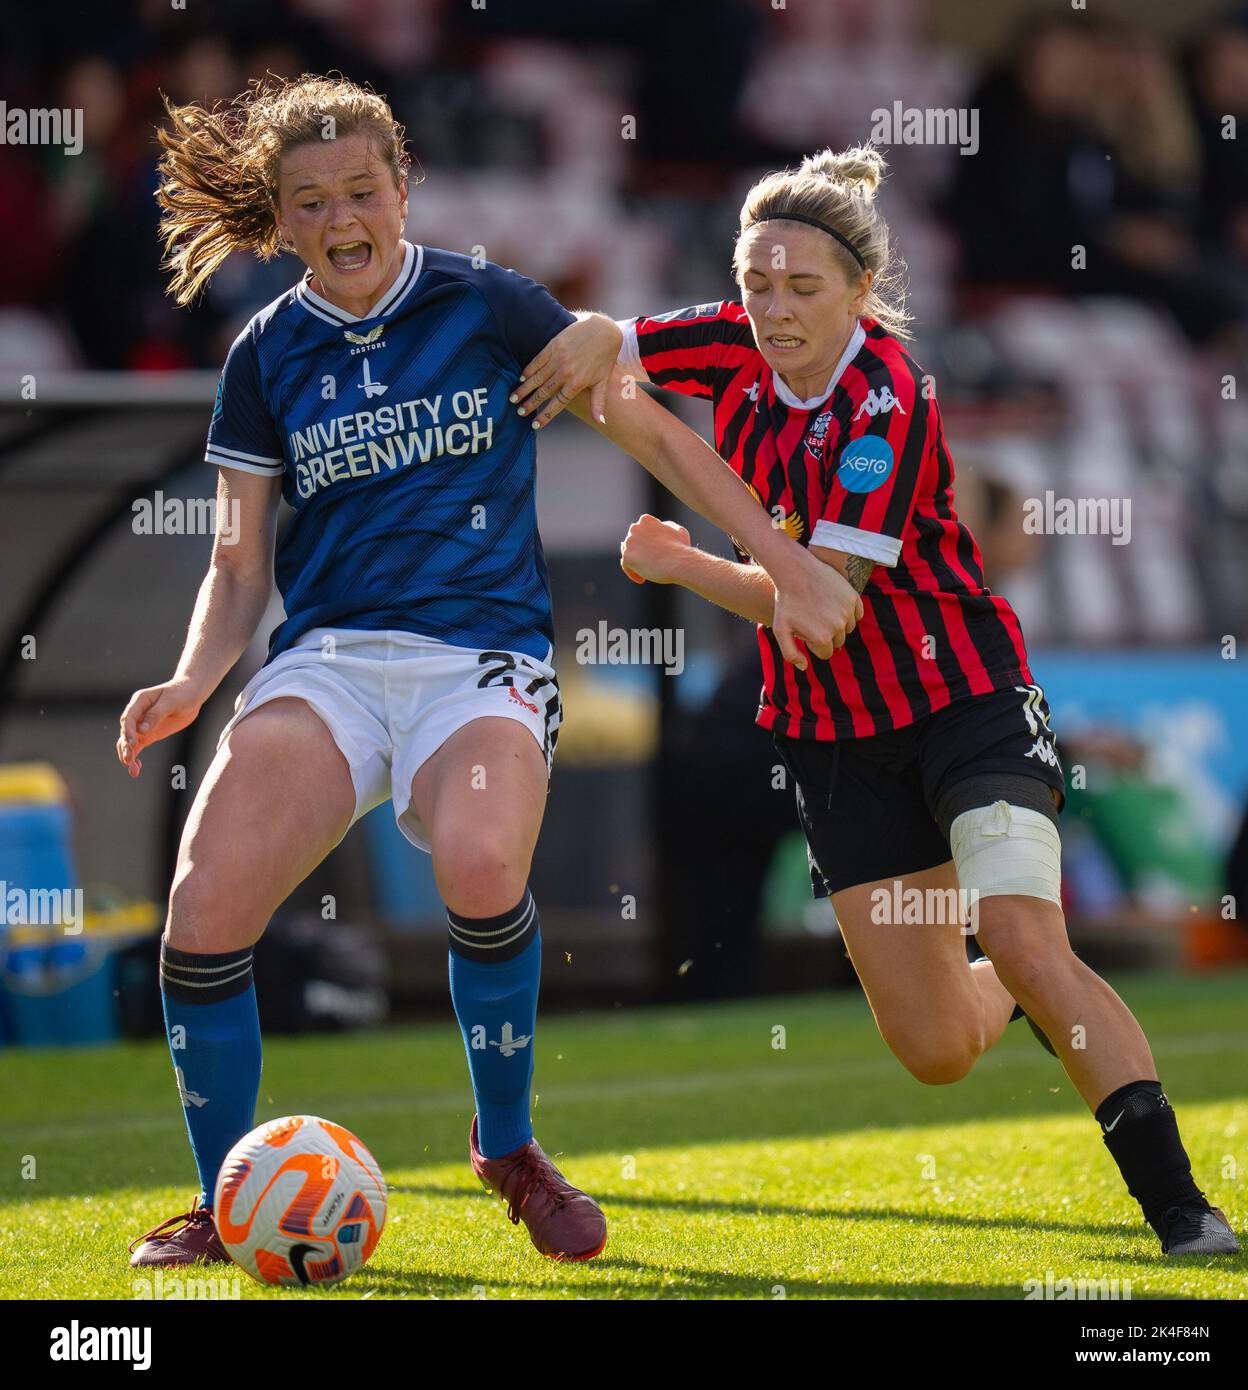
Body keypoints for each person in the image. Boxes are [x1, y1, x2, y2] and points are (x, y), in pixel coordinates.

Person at [118, 75, 860, 1273]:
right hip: (334, 664)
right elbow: (236, 559)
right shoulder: (264, 351)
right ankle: (226, 1201)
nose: (343, 218)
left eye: (364, 190)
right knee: (202, 910)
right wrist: (196, 677)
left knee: (476, 862)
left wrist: (782, 560)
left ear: (404, 188)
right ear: (281, 218)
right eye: (311, 203)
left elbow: (655, 427)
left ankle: (507, 1146)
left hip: (484, 661)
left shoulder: (486, 303)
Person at [515, 145, 1240, 1257]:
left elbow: (817, 609)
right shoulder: (729, 337)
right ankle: (1023, 988)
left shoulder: (887, 397)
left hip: (965, 701)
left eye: (802, 287)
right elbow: (620, 349)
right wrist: (584, 333)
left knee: (1022, 930)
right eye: (757, 282)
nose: (772, 308)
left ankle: (1182, 1210)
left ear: (862, 289)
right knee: (939, 1046)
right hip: (833, 739)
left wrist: (684, 566)